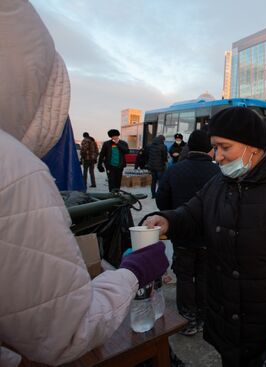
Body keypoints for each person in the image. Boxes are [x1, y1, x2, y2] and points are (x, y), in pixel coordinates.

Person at [0, 1, 169, 365]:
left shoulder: (114, 145)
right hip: (105, 171)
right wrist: (135, 271)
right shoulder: (14, 167)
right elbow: (65, 330)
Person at [143, 107, 266, 367]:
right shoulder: (218, 184)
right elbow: (192, 214)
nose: (218, 157)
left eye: (225, 147)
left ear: (252, 146)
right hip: (227, 321)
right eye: (214, 148)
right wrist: (167, 219)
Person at [155, 130, 220, 336]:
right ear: (211, 149)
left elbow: (161, 200)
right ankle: (203, 316)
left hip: (182, 234)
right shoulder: (218, 173)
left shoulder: (174, 170)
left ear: (189, 147)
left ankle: (188, 319)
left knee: (184, 276)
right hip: (209, 236)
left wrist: (173, 216)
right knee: (204, 275)